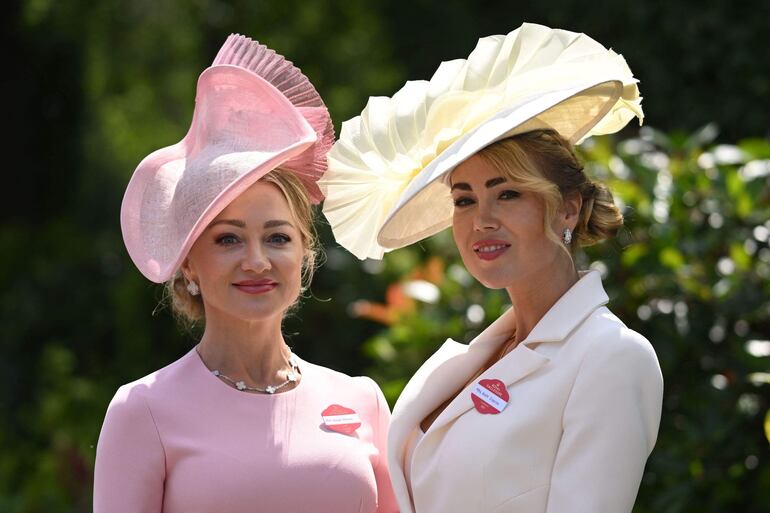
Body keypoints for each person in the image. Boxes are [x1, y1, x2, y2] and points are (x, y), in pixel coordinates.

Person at [320, 23, 664, 513]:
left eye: (507, 194)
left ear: (567, 209)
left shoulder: (612, 356)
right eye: (465, 199)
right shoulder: (466, 358)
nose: (482, 220)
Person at [94, 33, 398, 513]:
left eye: (277, 237)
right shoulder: (143, 411)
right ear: (189, 263)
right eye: (228, 239)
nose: (256, 261)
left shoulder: (363, 401)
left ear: (305, 252)